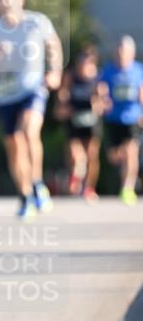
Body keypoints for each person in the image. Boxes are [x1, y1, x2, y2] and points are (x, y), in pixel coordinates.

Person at [0, 0, 63, 219]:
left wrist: (55, 71)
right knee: (14, 146)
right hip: (5, 95)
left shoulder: (36, 22)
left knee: (29, 130)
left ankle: (37, 182)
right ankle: (25, 195)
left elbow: (53, 44)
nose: (3, 1)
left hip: (33, 88)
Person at [55, 47, 106, 202]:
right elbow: (61, 102)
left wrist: (97, 103)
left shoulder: (97, 80)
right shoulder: (71, 78)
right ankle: (76, 175)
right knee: (76, 155)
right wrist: (64, 107)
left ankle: (89, 188)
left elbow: (103, 104)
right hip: (74, 123)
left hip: (91, 123)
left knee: (92, 155)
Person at [99, 35, 143, 205]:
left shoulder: (138, 70)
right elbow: (101, 90)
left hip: (132, 118)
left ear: (131, 53)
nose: (121, 55)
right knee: (114, 157)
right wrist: (103, 101)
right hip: (113, 119)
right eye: (118, 51)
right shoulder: (108, 71)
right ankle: (126, 174)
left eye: (124, 51)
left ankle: (127, 188)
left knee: (131, 151)